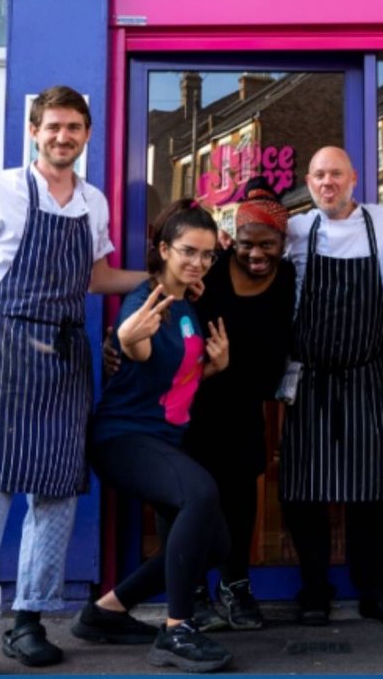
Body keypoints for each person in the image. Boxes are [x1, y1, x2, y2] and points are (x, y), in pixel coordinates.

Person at [0, 86, 149, 676]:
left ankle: (29, 622)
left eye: (74, 127)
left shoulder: (93, 203)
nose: (62, 136)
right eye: (52, 126)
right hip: (6, 345)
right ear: (33, 130)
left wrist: (161, 275)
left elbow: (96, 278)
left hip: (68, 352)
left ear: (87, 135)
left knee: (56, 494)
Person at [74, 200, 235, 672]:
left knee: (216, 545)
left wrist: (211, 368)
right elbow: (136, 345)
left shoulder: (186, 301)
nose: (198, 262)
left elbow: (171, 376)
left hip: (163, 439)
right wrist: (125, 339)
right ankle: (176, 631)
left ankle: (105, 613)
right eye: (188, 251)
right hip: (123, 438)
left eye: (207, 255)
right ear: (164, 249)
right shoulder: (145, 302)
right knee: (201, 494)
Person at [280, 146, 383, 627]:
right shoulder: (296, 229)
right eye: (318, 175)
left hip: (364, 370)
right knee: (304, 490)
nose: (326, 183)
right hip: (309, 374)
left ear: (354, 178)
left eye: (335, 173)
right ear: (308, 180)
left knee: (373, 489)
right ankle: (313, 588)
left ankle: (373, 588)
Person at [179, 178, 297, 630]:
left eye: (268, 245)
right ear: (234, 239)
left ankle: (235, 586)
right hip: (197, 401)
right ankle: (191, 591)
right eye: (248, 243)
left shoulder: (287, 277)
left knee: (239, 501)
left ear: (283, 243)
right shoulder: (208, 273)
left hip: (247, 404)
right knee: (194, 499)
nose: (257, 254)